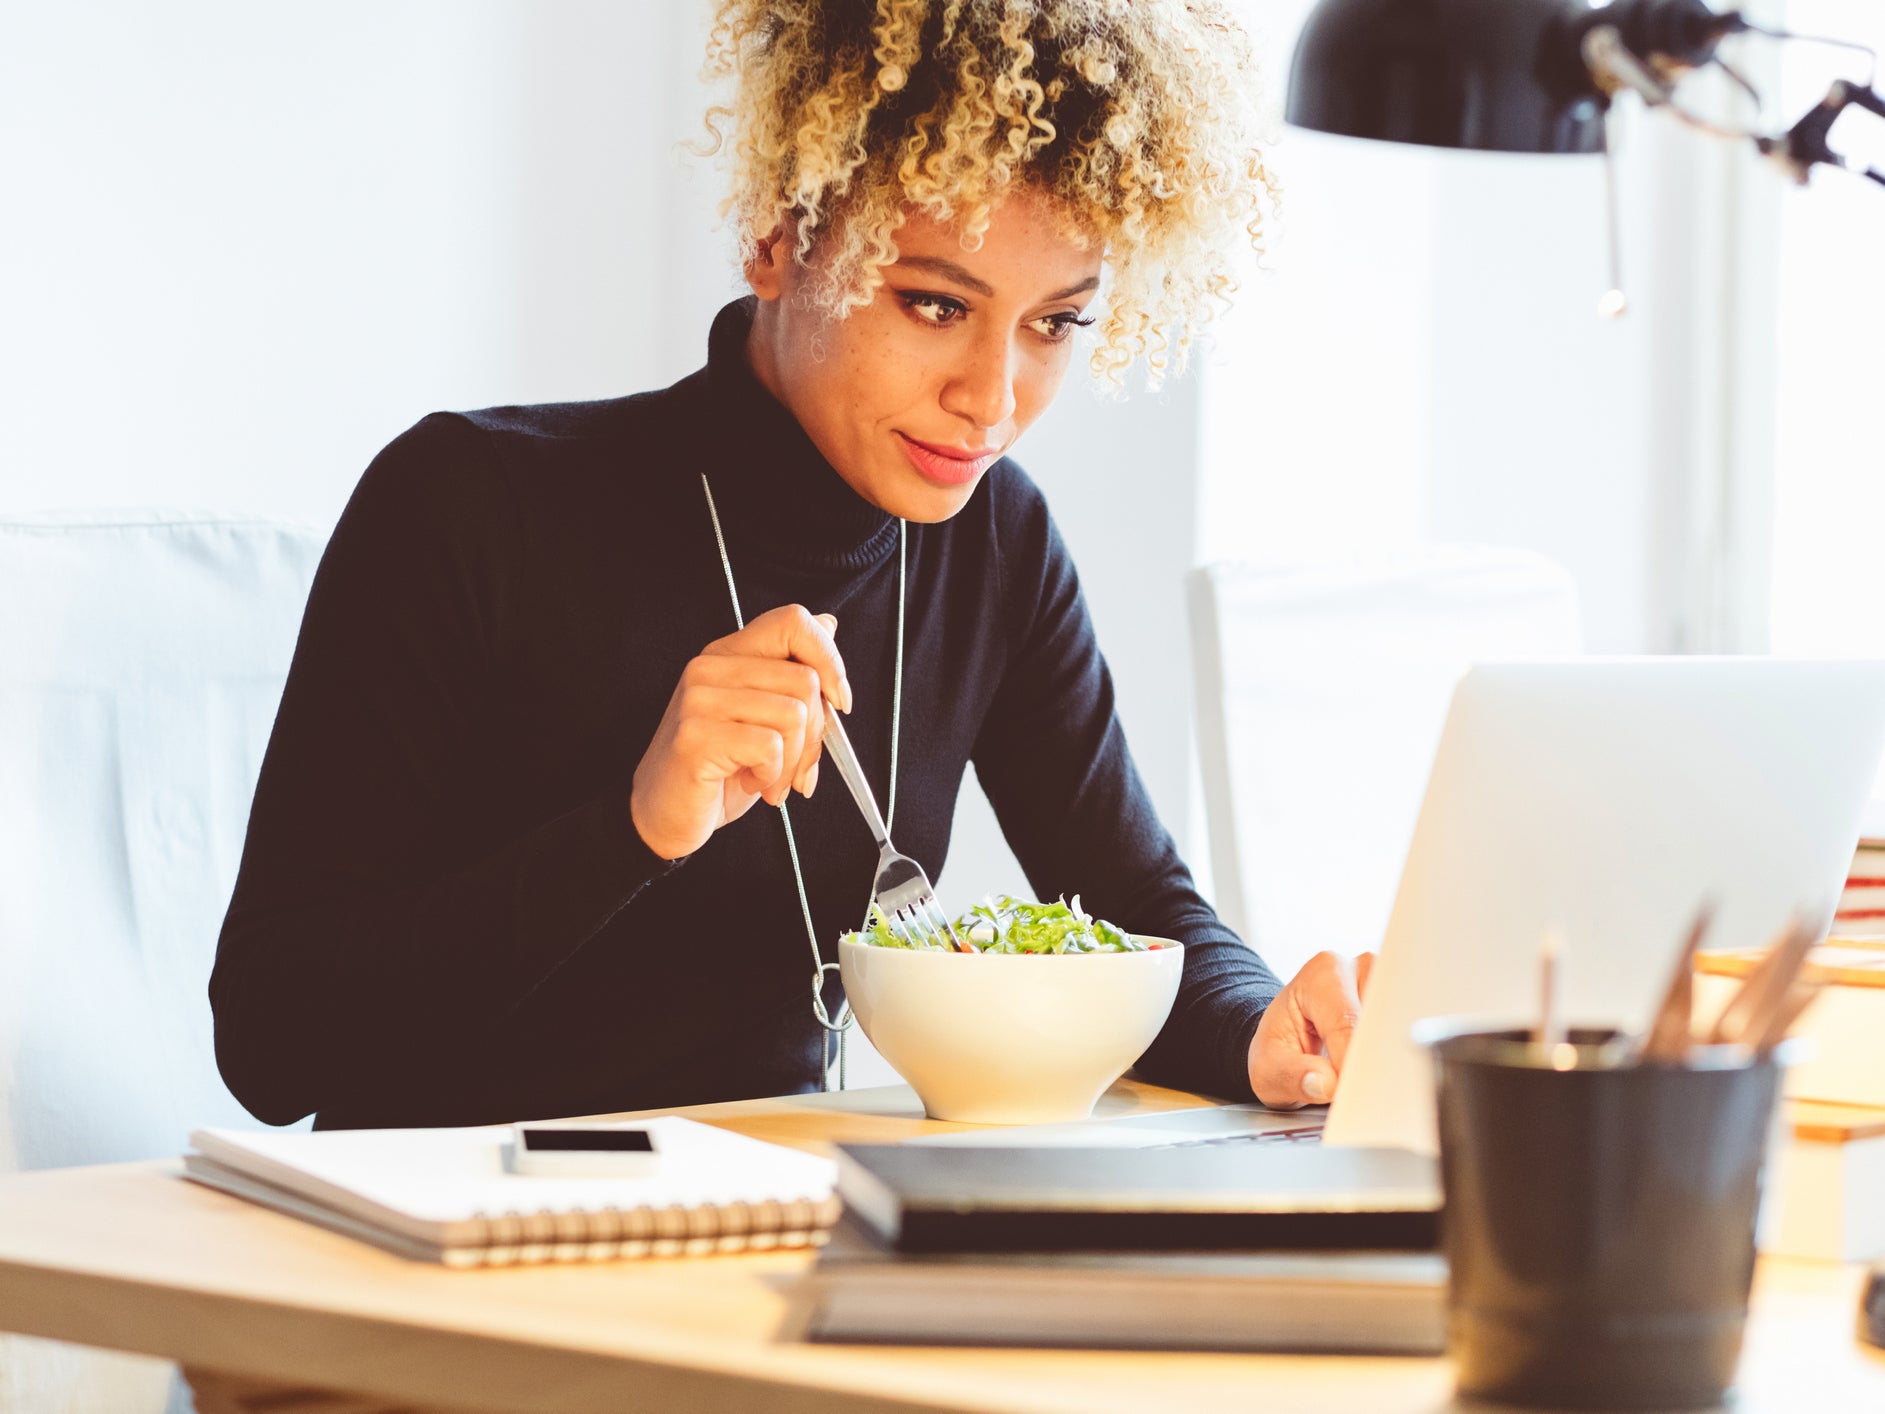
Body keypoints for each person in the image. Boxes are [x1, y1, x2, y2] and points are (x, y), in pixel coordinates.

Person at [210, 0, 1370, 1131]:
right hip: (436, 1251)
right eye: (932, 302)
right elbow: (271, 1041)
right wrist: (633, 827)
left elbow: (1135, 901)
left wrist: (1259, 1028)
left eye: (1054, 323)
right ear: (778, 232)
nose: (994, 399)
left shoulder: (993, 542)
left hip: (762, 1239)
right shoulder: (468, 502)